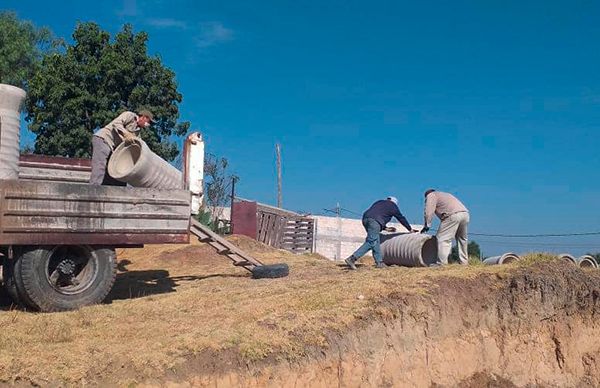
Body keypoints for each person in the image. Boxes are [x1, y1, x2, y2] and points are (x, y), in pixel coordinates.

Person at [345, 196, 416, 270]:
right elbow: (401, 218)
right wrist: (410, 229)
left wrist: (385, 228)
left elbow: (377, 214)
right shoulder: (393, 206)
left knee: (375, 241)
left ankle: (379, 262)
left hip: (365, 219)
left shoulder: (379, 202)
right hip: (375, 222)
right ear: (395, 203)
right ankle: (352, 258)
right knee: (371, 242)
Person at [89, 110, 154, 185]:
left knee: (114, 171)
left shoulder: (137, 131)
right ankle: (93, 190)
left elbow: (139, 143)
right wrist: (126, 133)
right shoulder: (129, 116)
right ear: (143, 117)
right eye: (148, 122)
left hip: (112, 148)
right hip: (103, 139)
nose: (148, 124)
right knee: (100, 166)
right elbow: (116, 123)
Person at [420, 189, 470, 266]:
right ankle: (464, 263)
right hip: (465, 214)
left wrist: (427, 224)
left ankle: (441, 264)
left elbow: (429, 210)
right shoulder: (445, 194)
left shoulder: (431, 195)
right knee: (462, 239)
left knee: (442, 238)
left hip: (452, 215)